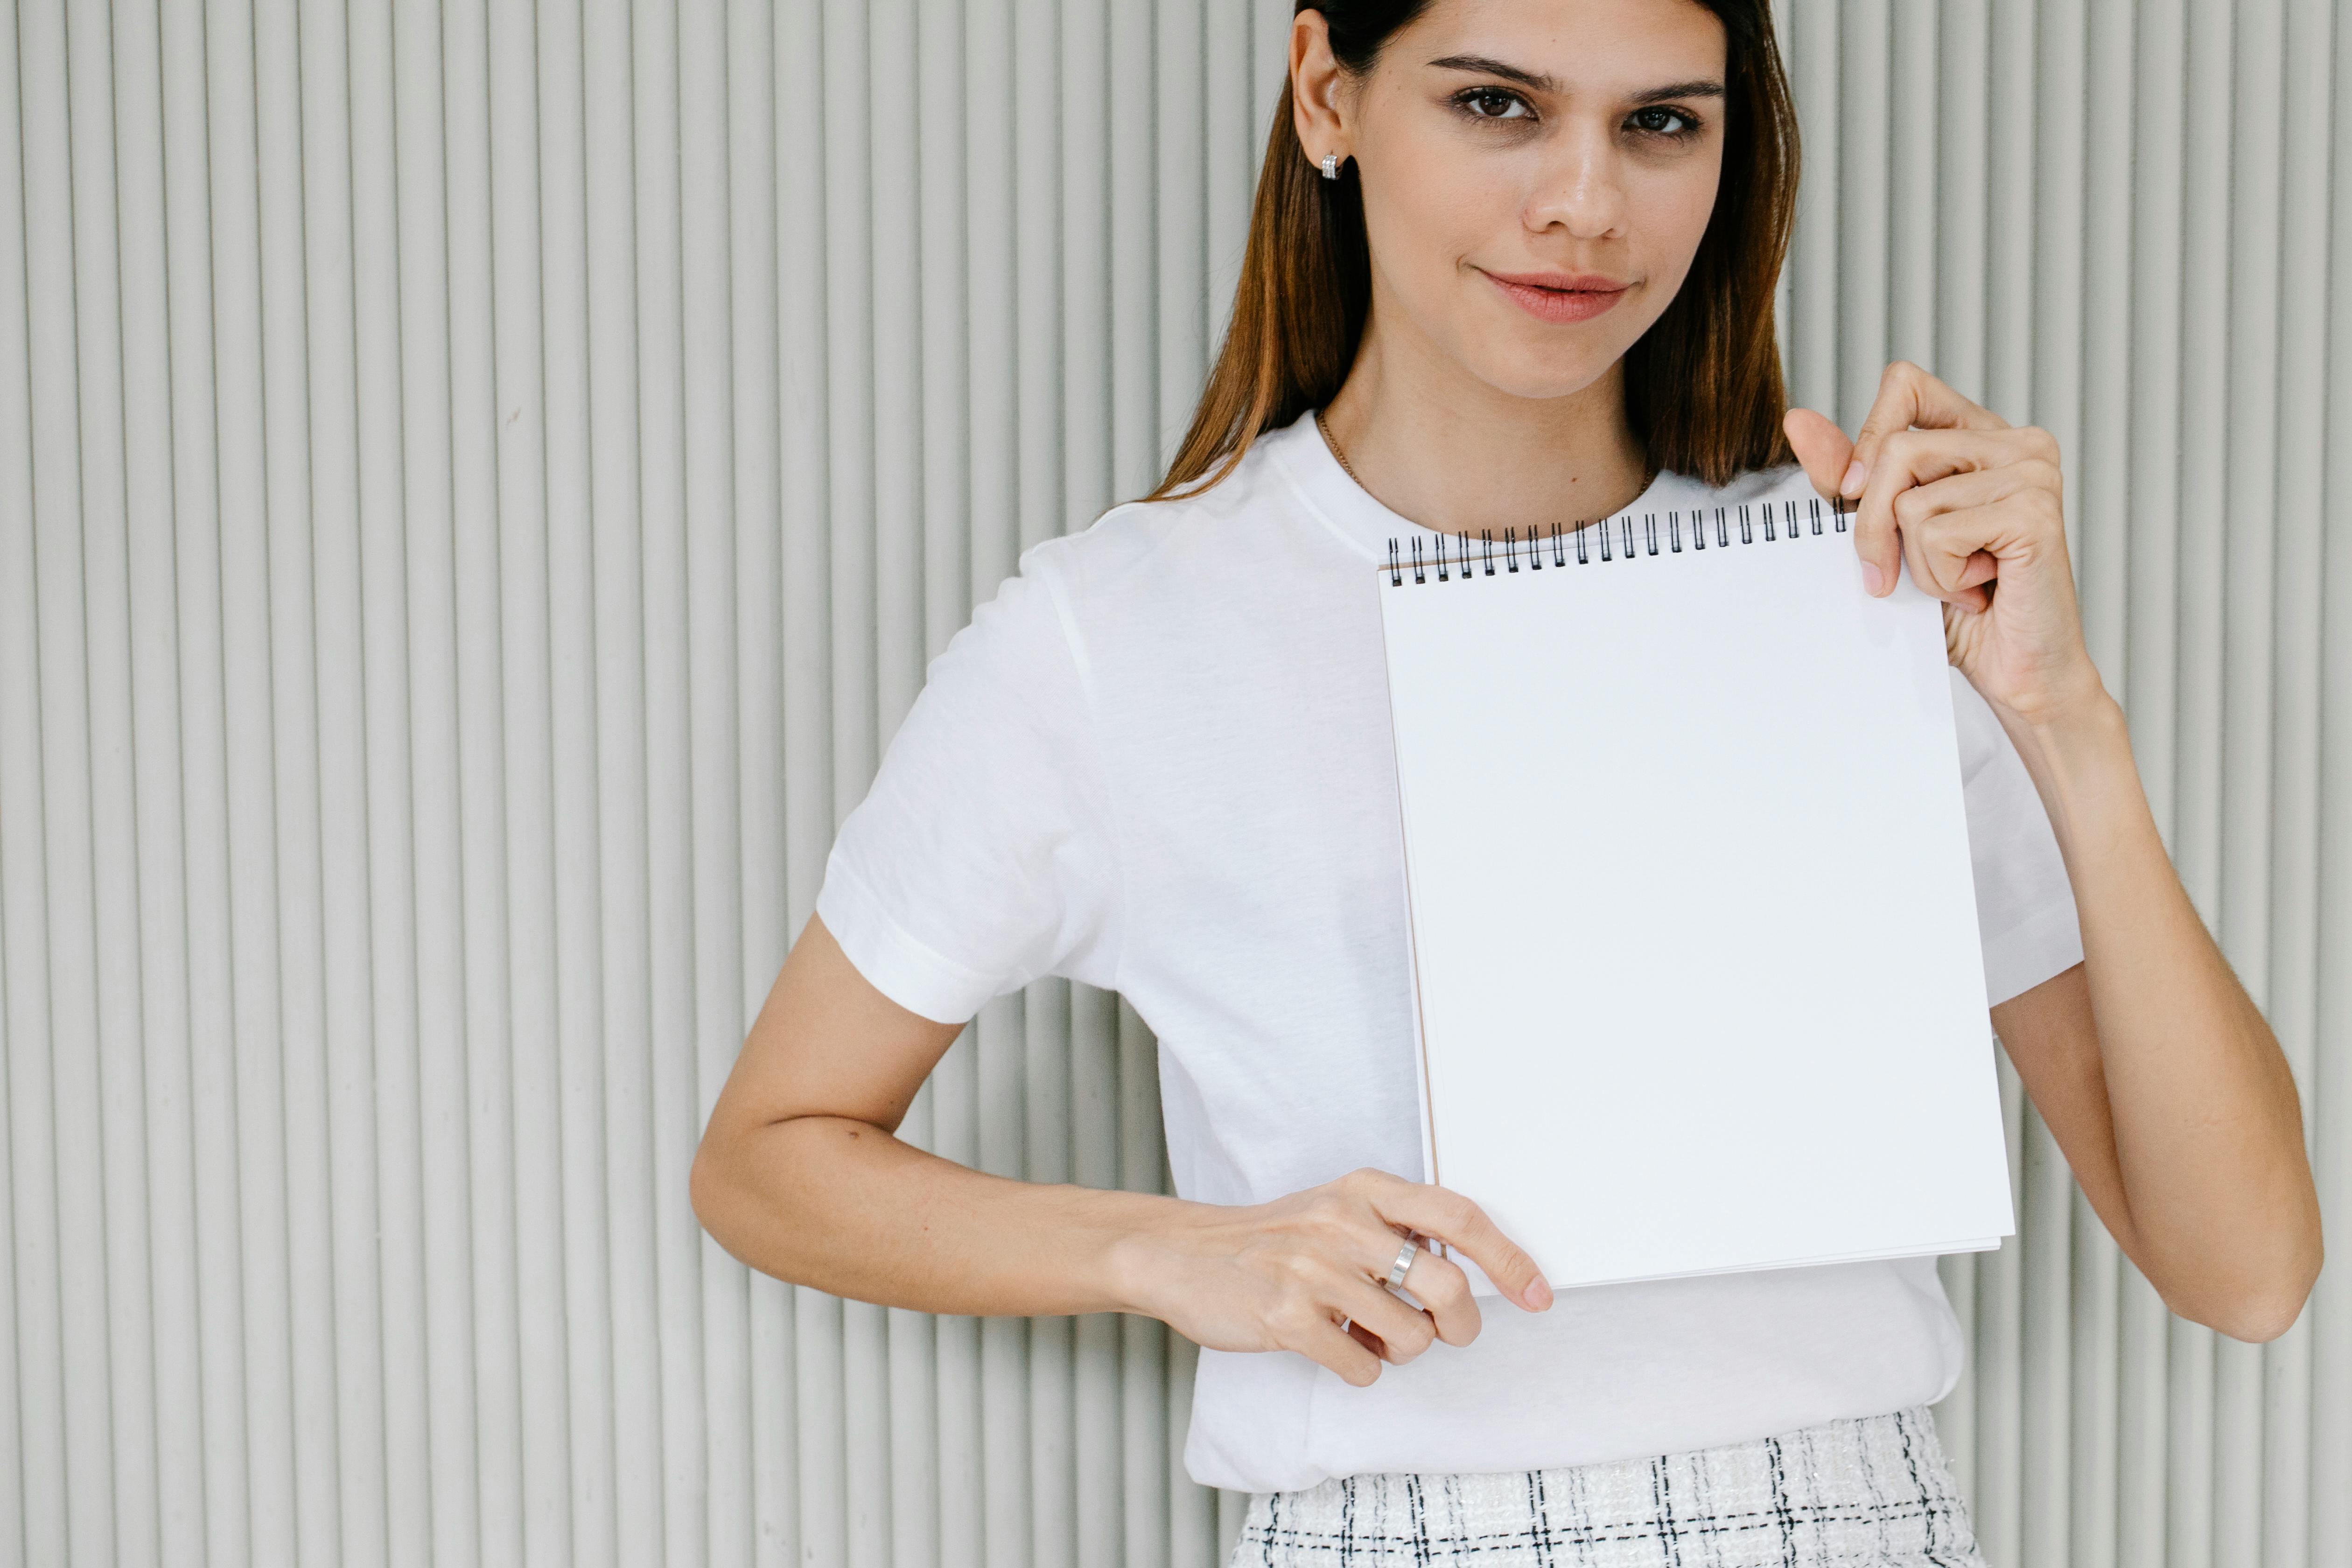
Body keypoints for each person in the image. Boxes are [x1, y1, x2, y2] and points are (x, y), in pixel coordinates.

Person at [691, 0, 2322, 1561]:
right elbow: (769, 1154)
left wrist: (2064, 716)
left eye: (1662, 123)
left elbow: (2245, 1274)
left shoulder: (1861, 599)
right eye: (1497, 104)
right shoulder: (1115, 636)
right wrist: (1176, 1252)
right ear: (1328, 95)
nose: (1584, 204)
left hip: (1863, 1520)